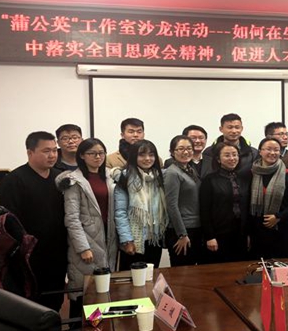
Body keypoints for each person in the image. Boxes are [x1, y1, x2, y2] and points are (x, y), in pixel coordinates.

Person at [0, 131, 67, 311]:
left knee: (56, 296)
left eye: (54, 150)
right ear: (30, 152)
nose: (52, 155)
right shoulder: (14, 180)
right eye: (46, 151)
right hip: (29, 253)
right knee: (32, 301)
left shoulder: (60, 178)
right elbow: (9, 220)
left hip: (58, 250)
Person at [55, 138, 118, 318]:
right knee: (83, 291)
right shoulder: (74, 181)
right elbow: (72, 218)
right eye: (92, 153)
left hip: (108, 237)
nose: (98, 157)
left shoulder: (109, 176)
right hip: (86, 240)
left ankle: (101, 330)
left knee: (103, 290)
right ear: (82, 155)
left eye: (101, 153)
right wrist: (83, 247)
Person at [114, 140, 168, 270]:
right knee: (131, 278)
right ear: (134, 156)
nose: (147, 158)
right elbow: (120, 212)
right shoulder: (125, 177)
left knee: (151, 275)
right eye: (142, 155)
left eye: (151, 155)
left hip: (154, 238)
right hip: (134, 239)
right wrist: (127, 240)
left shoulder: (159, 177)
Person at [249, 138, 288, 259]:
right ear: (260, 151)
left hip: (282, 229)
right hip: (257, 231)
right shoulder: (252, 174)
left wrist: (278, 217)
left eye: (276, 150)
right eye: (268, 149)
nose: (272, 153)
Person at [200, 142, 251, 263]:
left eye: (235, 154)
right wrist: (210, 236)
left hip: (241, 233)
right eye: (227, 155)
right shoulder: (210, 179)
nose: (232, 158)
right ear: (218, 159)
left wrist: (249, 234)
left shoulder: (244, 178)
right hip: (219, 234)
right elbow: (204, 210)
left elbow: (247, 206)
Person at [164, 135, 202, 266]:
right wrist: (182, 234)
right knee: (182, 272)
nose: (186, 152)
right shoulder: (172, 173)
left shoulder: (189, 169)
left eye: (189, 148)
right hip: (182, 231)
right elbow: (171, 205)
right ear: (172, 151)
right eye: (181, 149)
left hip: (194, 227)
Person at [201, 113, 258, 178]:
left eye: (237, 127)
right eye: (230, 127)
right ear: (221, 129)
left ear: (242, 128)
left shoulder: (253, 153)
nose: (234, 131)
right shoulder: (209, 152)